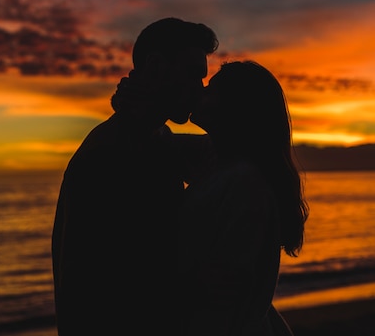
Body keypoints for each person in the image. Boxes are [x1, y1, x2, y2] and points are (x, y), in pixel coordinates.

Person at [51, 17, 219, 335]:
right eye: (193, 74)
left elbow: (231, 150)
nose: (200, 89)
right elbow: (88, 285)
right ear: (156, 66)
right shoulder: (110, 155)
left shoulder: (155, 139)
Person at [178, 60, 309, 335]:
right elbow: (159, 143)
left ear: (233, 108)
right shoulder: (218, 160)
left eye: (211, 90)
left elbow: (225, 294)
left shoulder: (244, 183)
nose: (200, 92)